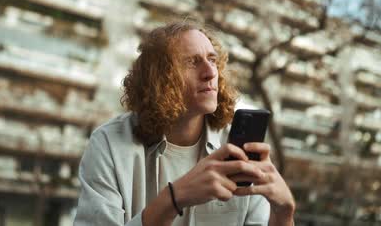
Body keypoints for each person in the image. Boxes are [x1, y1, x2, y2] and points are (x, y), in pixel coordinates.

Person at [74, 21, 295, 226]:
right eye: (192, 62)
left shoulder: (238, 147)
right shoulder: (110, 144)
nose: (210, 73)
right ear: (159, 78)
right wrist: (174, 198)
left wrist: (284, 216)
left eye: (212, 60)